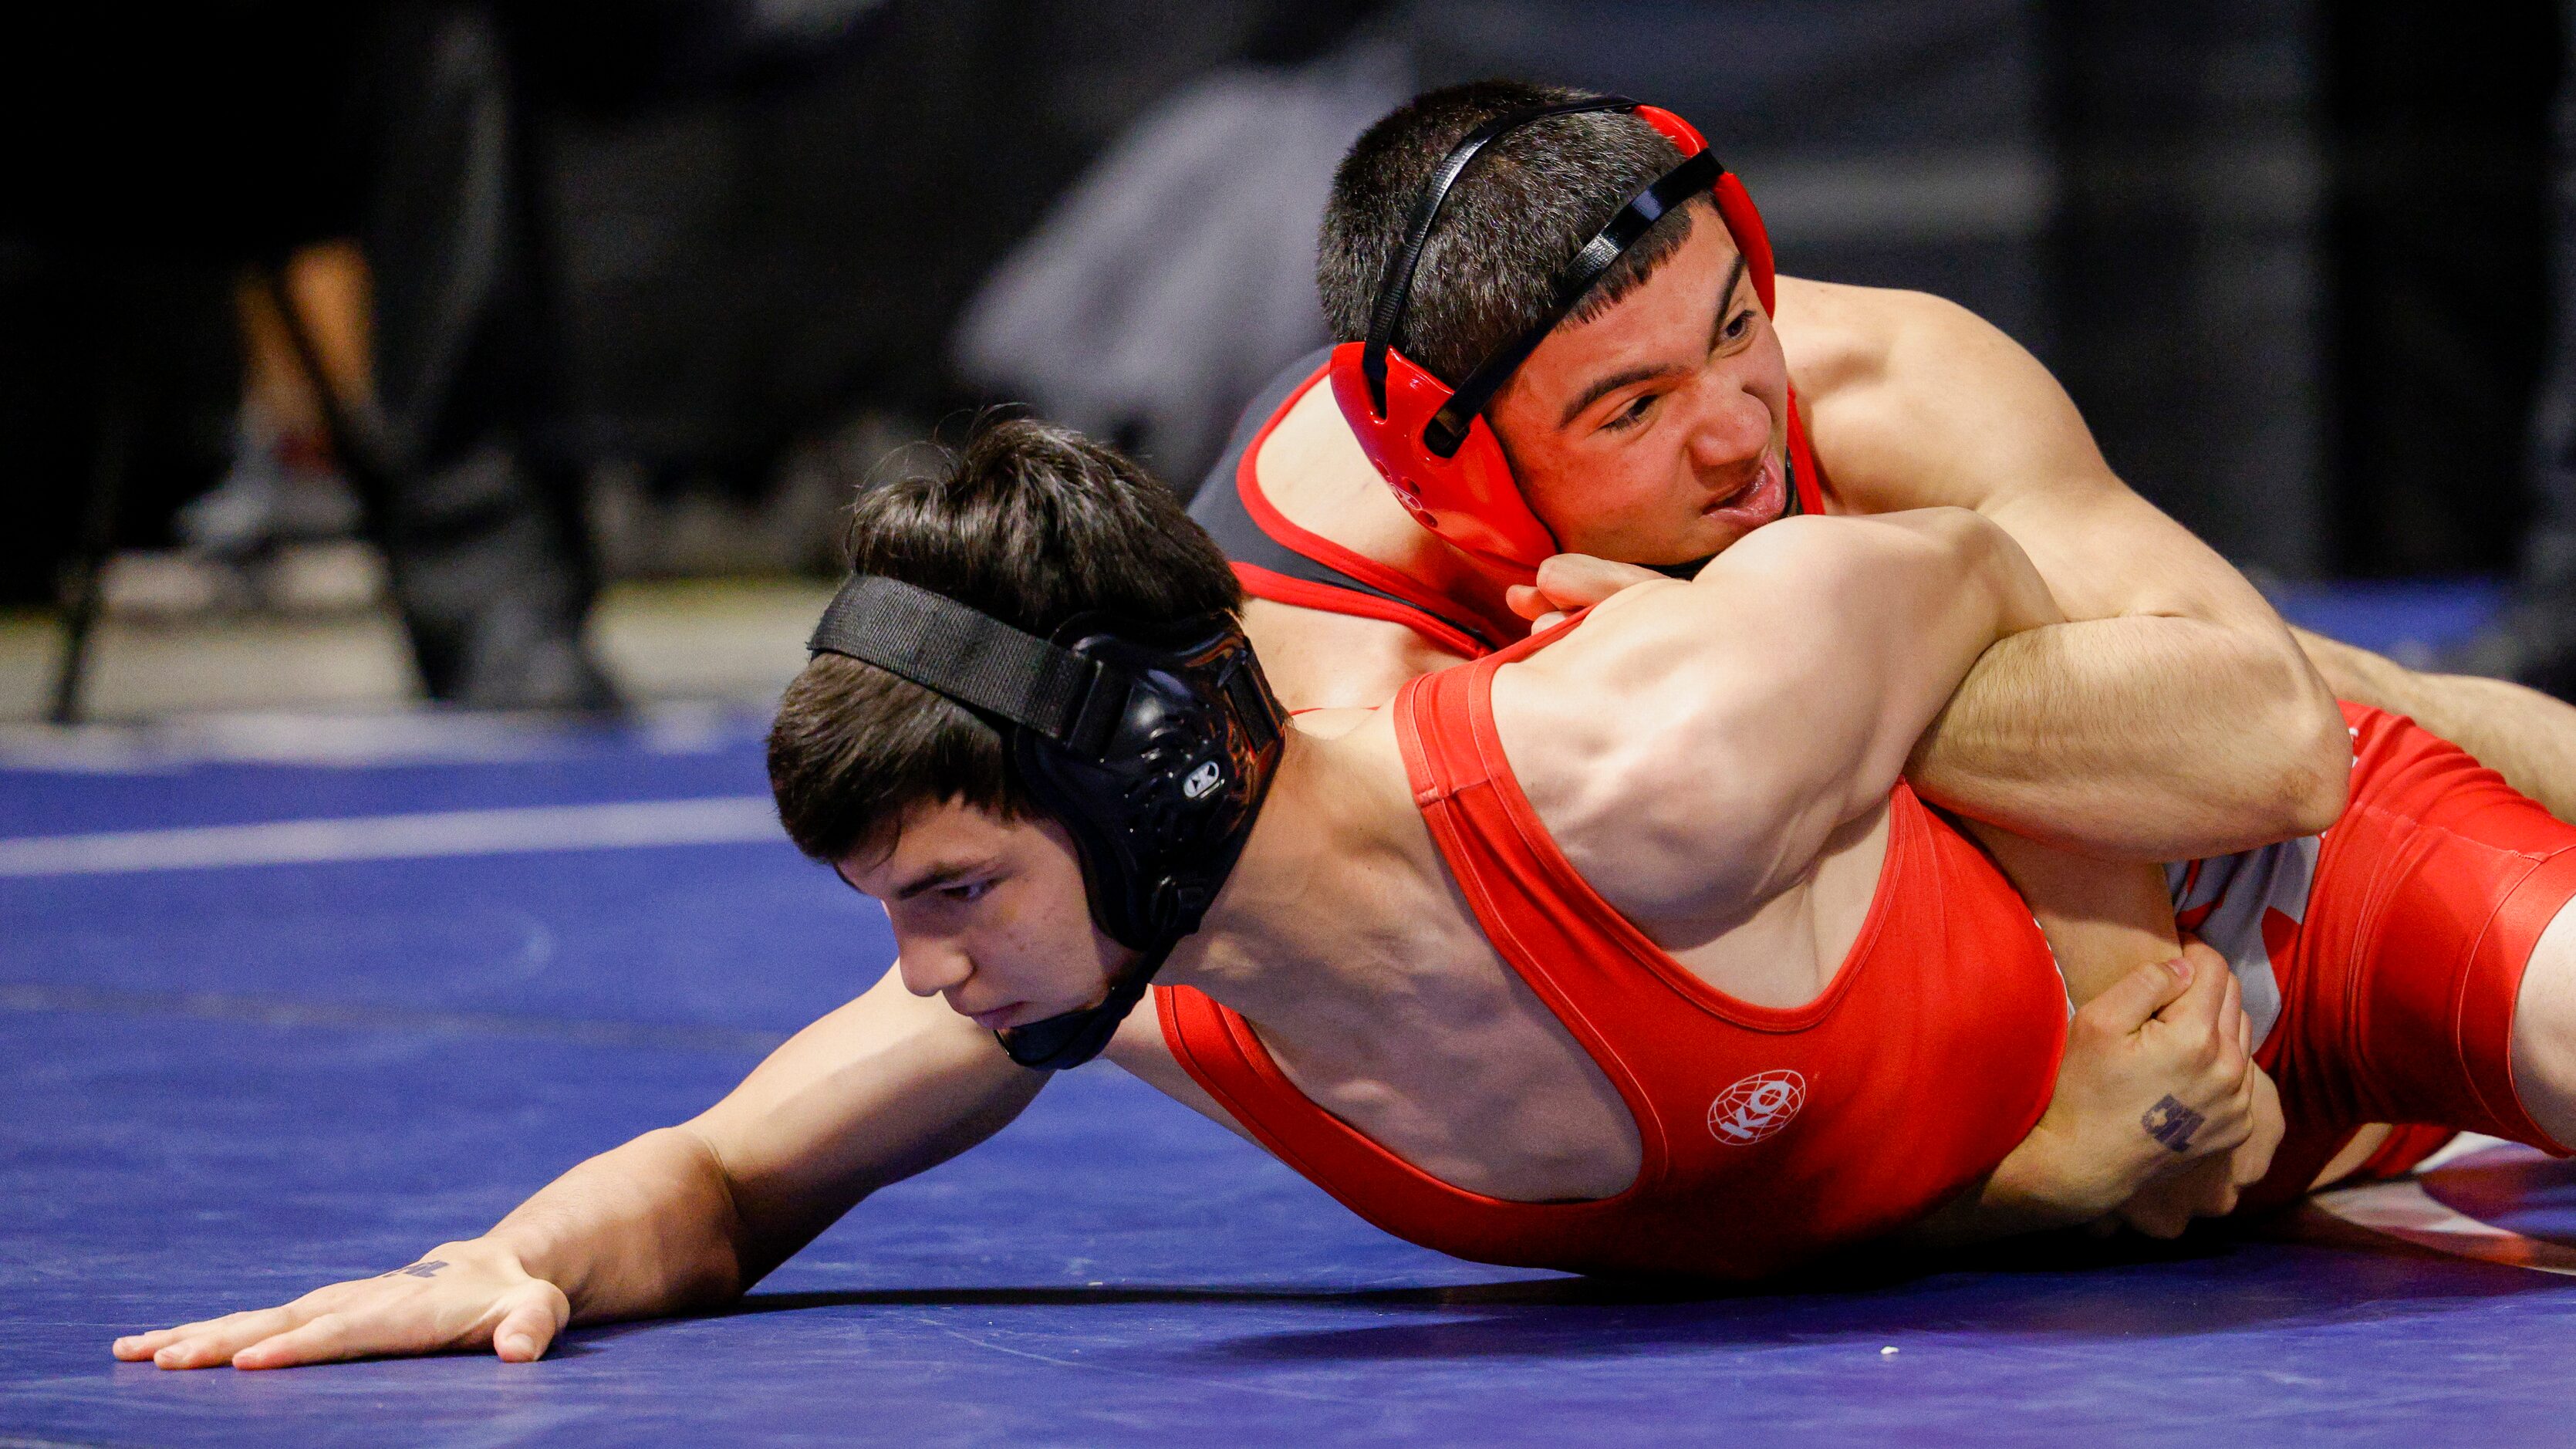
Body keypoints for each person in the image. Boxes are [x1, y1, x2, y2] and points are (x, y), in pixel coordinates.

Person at [116, 419, 2576, 1370]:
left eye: (954, 886)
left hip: (2290, 893)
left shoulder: (1639, 753)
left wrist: (2078, 927)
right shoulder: (1130, 985)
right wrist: (509, 1259)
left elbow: (2028, 573)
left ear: (1158, 776)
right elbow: (725, 1183)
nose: (926, 967)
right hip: (2194, 1175)